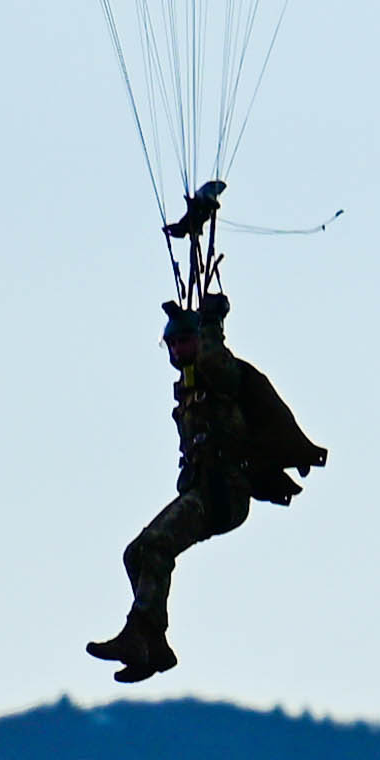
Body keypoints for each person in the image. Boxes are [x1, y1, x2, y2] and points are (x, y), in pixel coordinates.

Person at [94, 285, 324, 682]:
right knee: (136, 554)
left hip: (224, 493)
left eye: (185, 340)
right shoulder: (190, 386)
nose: (178, 350)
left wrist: (212, 323)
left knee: (153, 547)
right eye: (172, 343)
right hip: (202, 490)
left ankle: (140, 636)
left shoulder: (218, 375)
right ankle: (153, 647)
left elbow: (218, 363)